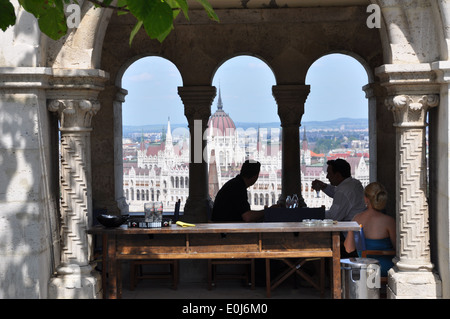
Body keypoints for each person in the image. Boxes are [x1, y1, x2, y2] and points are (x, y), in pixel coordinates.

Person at [344, 182, 396, 277]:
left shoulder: (357, 219)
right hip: (385, 268)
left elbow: (349, 249)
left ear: (366, 199)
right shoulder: (389, 221)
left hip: (365, 267)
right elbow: (398, 248)